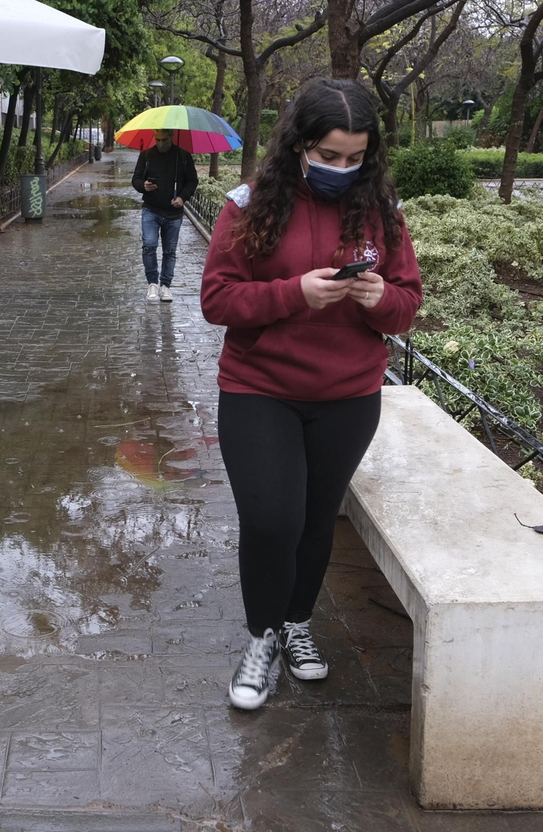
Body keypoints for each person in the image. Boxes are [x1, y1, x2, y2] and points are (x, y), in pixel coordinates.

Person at [199, 78, 423, 710]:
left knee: (315, 521)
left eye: (354, 158)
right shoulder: (249, 205)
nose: (340, 169)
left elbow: (407, 303)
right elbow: (217, 300)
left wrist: (382, 299)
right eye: (328, 156)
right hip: (259, 389)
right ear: (298, 145)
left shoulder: (381, 210)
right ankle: (261, 638)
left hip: (348, 396)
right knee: (273, 520)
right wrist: (294, 292)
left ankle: (297, 622)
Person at [131, 129, 198, 303]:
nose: (161, 143)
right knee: (149, 245)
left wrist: (182, 197)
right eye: (158, 139)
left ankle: (165, 286)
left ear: (171, 137)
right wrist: (143, 186)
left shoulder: (183, 156)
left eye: (164, 139)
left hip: (173, 213)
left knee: (170, 251)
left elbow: (192, 180)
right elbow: (136, 179)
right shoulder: (147, 155)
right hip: (151, 209)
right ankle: (152, 283)